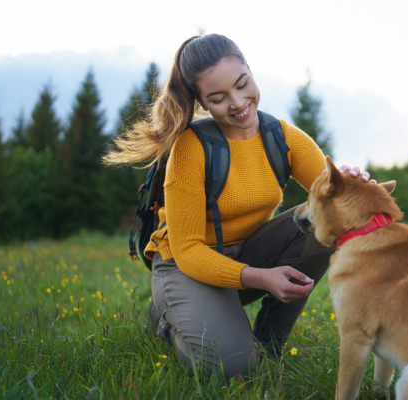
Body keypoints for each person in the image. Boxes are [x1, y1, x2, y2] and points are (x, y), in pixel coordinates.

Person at [103, 34, 374, 379]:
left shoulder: (283, 137)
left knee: (322, 227)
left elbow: (335, 199)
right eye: (218, 98)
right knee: (233, 368)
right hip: (186, 268)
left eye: (242, 84)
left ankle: (270, 344)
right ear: (201, 102)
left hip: (246, 253)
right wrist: (261, 277)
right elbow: (187, 250)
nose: (238, 102)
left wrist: (354, 185)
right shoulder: (191, 149)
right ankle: (168, 323)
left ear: (250, 70)